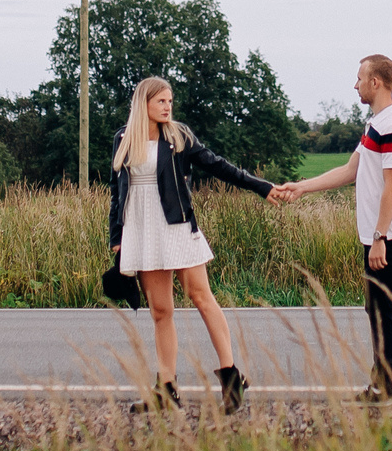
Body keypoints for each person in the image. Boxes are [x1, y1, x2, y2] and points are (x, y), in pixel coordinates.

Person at [274, 53, 392, 413]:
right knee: (379, 311)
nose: (355, 85)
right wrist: (302, 187)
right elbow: (351, 169)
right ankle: (382, 387)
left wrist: (381, 237)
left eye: (359, 78)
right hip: (374, 238)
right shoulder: (375, 125)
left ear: (376, 82)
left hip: (390, 239)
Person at [107, 75, 276, 413]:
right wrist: (116, 238)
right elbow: (117, 192)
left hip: (177, 226)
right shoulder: (124, 139)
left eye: (170, 101)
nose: (168, 107)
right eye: (161, 101)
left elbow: (218, 165)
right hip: (141, 230)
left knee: (201, 297)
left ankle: (231, 377)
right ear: (144, 104)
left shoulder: (178, 136)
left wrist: (262, 186)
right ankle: (166, 390)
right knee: (160, 311)